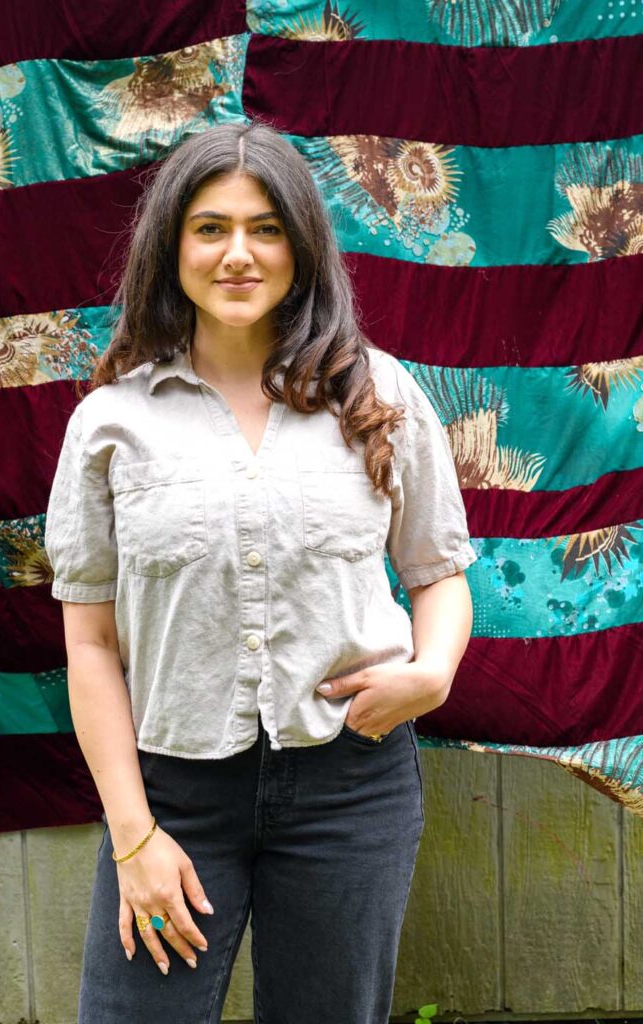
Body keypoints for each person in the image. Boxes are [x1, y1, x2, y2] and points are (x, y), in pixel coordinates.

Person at [44, 119, 477, 1024]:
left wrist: (433, 672)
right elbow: (89, 644)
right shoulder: (110, 423)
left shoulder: (380, 396)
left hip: (350, 782)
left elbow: (437, 571)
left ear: (301, 247)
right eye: (210, 228)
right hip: (171, 794)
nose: (237, 254)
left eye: (265, 228)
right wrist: (134, 837)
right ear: (171, 248)